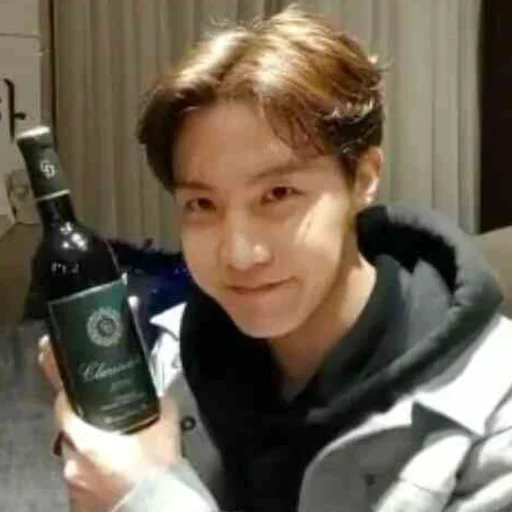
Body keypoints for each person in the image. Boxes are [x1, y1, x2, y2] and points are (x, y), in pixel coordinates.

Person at [38, 5, 512, 512]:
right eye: (202, 204)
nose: (240, 254)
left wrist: (147, 495)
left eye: (278, 194)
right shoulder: (174, 360)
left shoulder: (494, 420)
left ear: (363, 179)